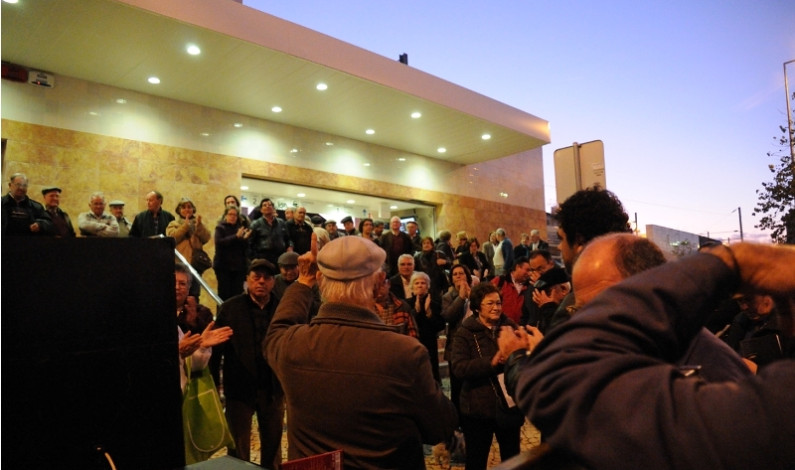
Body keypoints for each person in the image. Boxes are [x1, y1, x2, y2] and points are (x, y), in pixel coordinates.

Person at [507, 242, 795, 470]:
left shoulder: (709, 373)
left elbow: (561, 382)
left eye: (607, 308)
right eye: (582, 313)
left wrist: (739, 260)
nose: (593, 324)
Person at [265, 235, 457, 469]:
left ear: (320, 280)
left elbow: (276, 331)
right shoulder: (404, 353)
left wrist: (303, 281)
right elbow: (439, 427)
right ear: (378, 284)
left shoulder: (293, 344)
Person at [210, 259, 284, 468]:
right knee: (238, 443)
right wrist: (215, 383)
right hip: (239, 387)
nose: (261, 282)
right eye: (256, 277)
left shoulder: (282, 308)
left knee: (273, 441)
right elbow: (217, 350)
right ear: (247, 280)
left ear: (273, 282)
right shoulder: (230, 309)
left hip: (273, 386)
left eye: (267, 278)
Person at [450, 282, 528, 470]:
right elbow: (459, 368)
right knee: (476, 460)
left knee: (512, 459)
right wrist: (491, 363)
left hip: (508, 406)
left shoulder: (509, 327)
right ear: (477, 307)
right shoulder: (465, 333)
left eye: (499, 303)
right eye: (490, 303)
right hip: (477, 409)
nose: (496, 307)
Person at [547, 186, 631, 329]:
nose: (559, 247)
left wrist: (520, 351)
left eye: (561, 239)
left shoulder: (575, 312)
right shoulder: (642, 291)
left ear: (579, 241)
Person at [442, 264, 475, 414]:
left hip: (474, 343)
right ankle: (457, 417)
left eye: (461, 273)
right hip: (456, 345)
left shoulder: (475, 293)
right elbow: (449, 316)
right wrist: (461, 298)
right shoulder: (447, 297)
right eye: (454, 274)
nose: (458, 276)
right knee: (457, 385)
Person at [167, 198, 211, 297]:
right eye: (184, 207)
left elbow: (206, 238)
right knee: (178, 294)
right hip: (179, 265)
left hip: (195, 265)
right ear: (179, 210)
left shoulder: (197, 224)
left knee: (194, 294)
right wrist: (185, 226)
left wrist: (199, 226)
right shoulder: (173, 224)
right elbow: (172, 238)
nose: (187, 209)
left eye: (189, 207)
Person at [406, 271, 445, 383]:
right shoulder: (407, 304)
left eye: (423, 283)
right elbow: (407, 323)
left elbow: (440, 325)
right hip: (413, 342)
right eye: (417, 283)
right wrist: (416, 311)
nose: (420, 285)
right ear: (412, 286)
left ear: (427, 286)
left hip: (430, 343)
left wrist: (429, 313)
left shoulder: (435, 303)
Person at [214, 205, 251, 300]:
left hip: (238, 268)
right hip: (223, 267)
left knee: (237, 295)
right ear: (225, 215)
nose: (232, 217)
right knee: (224, 294)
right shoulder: (220, 228)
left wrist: (245, 239)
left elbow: (244, 249)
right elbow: (220, 242)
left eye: (235, 215)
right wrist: (236, 236)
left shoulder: (240, 228)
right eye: (230, 214)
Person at [373, 263, 419, 338]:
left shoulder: (401, 306)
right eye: (375, 284)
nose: (378, 288)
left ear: (389, 284)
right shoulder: (364, 308)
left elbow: (412, 335)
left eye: (382, 284)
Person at [273, 251, 321, 318]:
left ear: (299, 267)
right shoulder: (274, 282)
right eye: (286, 269)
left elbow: (317, 307)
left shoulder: (310, 282)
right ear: (280, 269)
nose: (289, 272)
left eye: (293, 268)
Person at [248, 198, 291, 266]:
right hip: (262, 258)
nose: (267, 206)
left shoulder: (281, 222)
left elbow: (288, 239)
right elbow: (249, 243)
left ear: (273, 208)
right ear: (261, 210)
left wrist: (290, 247)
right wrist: (253, 258)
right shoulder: (255, 224)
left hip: (280, 258)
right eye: (265, 205)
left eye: (270, 205)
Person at [175, 262, 214, 336]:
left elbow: (209, 340)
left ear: (188, 288)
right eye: (173, 282)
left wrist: (194, 322)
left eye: (182, 284)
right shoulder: (154, 310)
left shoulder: (203, 313)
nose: (177, 287)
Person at [490, 256, 531, 324]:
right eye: (527, 270)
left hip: (520, 329)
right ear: (518, 267)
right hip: (498, 326)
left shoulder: (530, 287)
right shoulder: (499, 281)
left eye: (531, 271)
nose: (529, 273)